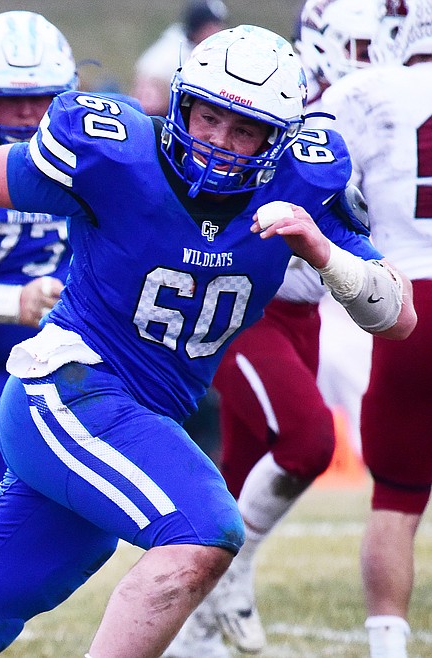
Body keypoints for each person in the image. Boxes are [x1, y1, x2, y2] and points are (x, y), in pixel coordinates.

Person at [0, 24, 416, 658]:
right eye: (209, 117)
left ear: (279, 139)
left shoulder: (302, 187)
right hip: (68, 388)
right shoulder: (118, 156)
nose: (219, 143)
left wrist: (323, 253)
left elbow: (398, 316)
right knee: (203, 530)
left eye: (245, 130)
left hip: (139, 413)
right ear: (182, 104)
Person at [163, 3, 386, 656]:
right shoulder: (288, 108)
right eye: (362, 46)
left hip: (306, 309)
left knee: (239, 470)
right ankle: (233, 575)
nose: (373, 60)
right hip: (247, 302)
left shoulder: (380, 107)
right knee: (309, 442)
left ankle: (191, 633)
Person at [319, 1, 432, 655]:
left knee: (396, 498)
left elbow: (327, 191)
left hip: (408, 302)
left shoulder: (361, 92)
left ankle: (388, 645)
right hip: (406, 296)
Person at [0, 11, 76, 546]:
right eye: (8, 99)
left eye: (43, 98)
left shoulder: (94, 156)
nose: (28, 114)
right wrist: (13, 303)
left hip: (35, 370)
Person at [131, 0, 228, 116]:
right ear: (198, 27)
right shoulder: (169, 54)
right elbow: (148, 106)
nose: (219, 31)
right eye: (213, 26)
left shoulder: (206, 51)